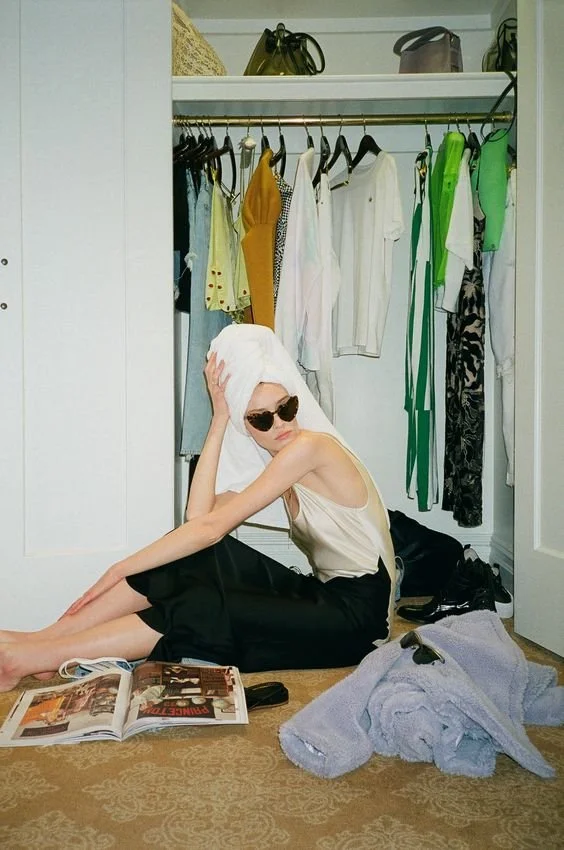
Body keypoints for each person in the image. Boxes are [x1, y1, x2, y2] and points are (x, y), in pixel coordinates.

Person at [0, 325, 395, 692]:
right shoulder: (280, 461)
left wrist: (118, 569)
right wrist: (220, 417)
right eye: (260, 419)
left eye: (286, 407)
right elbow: (198, 518)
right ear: (246, 426)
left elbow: (208, 528)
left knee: (202, 605)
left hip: (360, 619)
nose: (280, 424)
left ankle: (38, 655)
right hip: (326, 595)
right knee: (194, 557)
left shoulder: (311, 447)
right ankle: (44, 640)